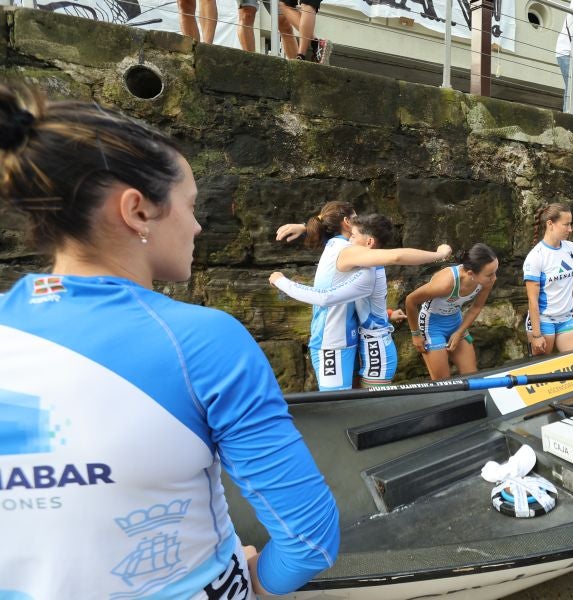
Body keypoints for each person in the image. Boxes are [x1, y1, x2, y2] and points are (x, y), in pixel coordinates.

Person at [0, 85, 340, 597]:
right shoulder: (202, 341)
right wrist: (261, 582)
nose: (199, 226)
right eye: (191, 205)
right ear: (137, 210)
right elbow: (310, 539)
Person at [269, 214, 451, 387]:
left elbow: (324, 298)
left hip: (377, 351)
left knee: (370, 411)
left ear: (369, 242)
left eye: (353, 236)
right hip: (368, 345)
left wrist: (281, 281)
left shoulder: (367, 275)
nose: (348, 241)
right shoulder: (363, 261)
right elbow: (339, 223)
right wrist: (305, 227)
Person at [405, 243, 499, 380]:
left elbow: (476, 307)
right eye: (490, 274)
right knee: (443, 383)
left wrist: (460, 331)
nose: (494, 278)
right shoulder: (446, 283)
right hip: (432, 325)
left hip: (455, 321)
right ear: (470, 274)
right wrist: (415, 334)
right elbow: (410, 301)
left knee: (473, 378)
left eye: (496, 271)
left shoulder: (487, 281)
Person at [524, 203, 573, 356]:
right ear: (550, 224)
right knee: (542, 371)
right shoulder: (536, 256)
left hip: (566, 319)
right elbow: (532, 300)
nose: (570, 229)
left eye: (570, 224)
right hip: (543, 321)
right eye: (566, 224)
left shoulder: (571, 248)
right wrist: (536, 334)